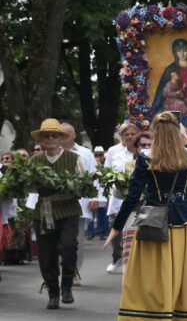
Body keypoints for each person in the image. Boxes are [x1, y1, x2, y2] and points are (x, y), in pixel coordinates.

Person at [103, 112, 187, 321]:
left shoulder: (146, 158)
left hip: (154, 221)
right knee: (183, 276)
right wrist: (186, 138)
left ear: (156, 132)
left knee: (161, 278)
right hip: (183, 221)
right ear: (176, 131)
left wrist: (116, 228)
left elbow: (133, 196)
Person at [29, 119, 88, 309]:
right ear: (42, 139)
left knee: (69, 246)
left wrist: (76, 188)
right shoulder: (35, 160)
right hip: (45, 209)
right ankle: (53, 292)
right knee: (47, 253)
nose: (51, 138)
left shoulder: (74, 158)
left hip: (68, 208)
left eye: (54, 135)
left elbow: (84, 183)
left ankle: (67, 286)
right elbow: (27, 185)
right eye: (47, 135)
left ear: (61, 138)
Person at [61, 122, 96, 285]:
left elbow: (93, 176)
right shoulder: (54, 152)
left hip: (79, 203)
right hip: (56, 204)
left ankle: (73, 270)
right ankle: (60, 269)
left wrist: (95, 197)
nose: (64, 137)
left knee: (76, 240)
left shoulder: (85, 153)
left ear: (74, 135)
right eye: (62, 134)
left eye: (67, 134)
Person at [104, 123, 140, 272]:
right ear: (122, 137)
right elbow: (106, 173)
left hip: (139, 201)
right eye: (127, 134)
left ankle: (134, 261)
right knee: (116, 228)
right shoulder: (115, 153)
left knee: (136, 230)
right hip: (118, 199)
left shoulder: (145, 153)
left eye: (133, 134)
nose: (130, 137)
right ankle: (117, 256)